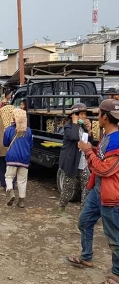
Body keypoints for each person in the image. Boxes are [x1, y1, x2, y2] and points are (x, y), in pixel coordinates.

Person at [78, 99, 119, 283]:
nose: (97, 117)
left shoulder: (117, 141)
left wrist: (88, 152)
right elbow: (101, 158)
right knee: (84, 221)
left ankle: (117, 273)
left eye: (99, 114)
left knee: (114, 237)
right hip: (98, 191)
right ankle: (86, 257)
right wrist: (92, 149)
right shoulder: (106, 136)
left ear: (105, 117)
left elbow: (105, 169)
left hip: (111, 196)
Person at [58, 103, 93, 214]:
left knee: (87, 186)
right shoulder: (68, 127)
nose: (84, 117)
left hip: (82, 162)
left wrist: (89, 129)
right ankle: (61, 207)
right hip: (71, 163)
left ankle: (84, 211)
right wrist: (74, 122)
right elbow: (73, 137)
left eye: (85, 114)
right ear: (74, 115)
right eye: (81, 114)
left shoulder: (83, 128)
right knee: (68, 188)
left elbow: (89, 142)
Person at [4, 108, 33, 208]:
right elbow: (31, 145)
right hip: (24, 158)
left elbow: (5, 143)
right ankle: (21, 201)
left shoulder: (9, 129)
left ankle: (11, 191)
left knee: (9, 177)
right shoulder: (28, 131)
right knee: (22, 180)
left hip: (12, 157)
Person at [0, 105, 15, 191]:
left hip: (1, 145)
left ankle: (3, 183)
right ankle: (12, 184)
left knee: (2, 166)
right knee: (12, 166)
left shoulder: (0, 119)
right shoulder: (15, 120)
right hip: (12, 146)